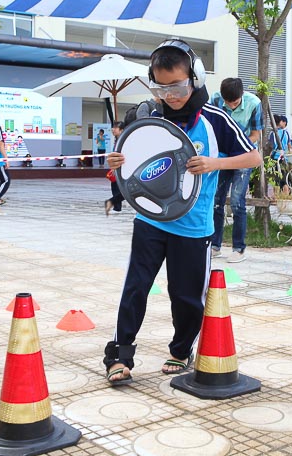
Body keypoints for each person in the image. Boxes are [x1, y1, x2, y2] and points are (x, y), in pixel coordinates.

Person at [102, 39, 261, 385]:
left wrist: (215, 163)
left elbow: (254, 157)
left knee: (186, 296)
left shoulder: (216, 120)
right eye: (161, 87)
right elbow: (133, 158)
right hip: (150, 219)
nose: (170, 95)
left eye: (177, 86)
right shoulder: (151, 117)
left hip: (193, 225)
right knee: (136, 286)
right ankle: (120, 353)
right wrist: (116, 160)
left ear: (195, 78)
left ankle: (180, 349)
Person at [210, 77, 263, 263]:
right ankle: (214, 245)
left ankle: (238, 248)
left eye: (234, 102)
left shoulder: (254, 104)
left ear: (241, 95)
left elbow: (256, 134)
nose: (230, 106)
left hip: (242, 155)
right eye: (227, 102)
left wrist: (239, 149)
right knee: (216, 199)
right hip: (221, 156)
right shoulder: (215, 100)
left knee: (237, 201)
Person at [104, 121, 125, 215]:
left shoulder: (124, 141)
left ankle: (113, 202)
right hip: (116, 168)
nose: (113, 129)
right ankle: (116, 206)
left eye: (116, 127)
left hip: (123, 168)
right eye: (113, 127)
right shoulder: (117, 140)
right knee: (115, 187)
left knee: (124, 189)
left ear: (122, 130)